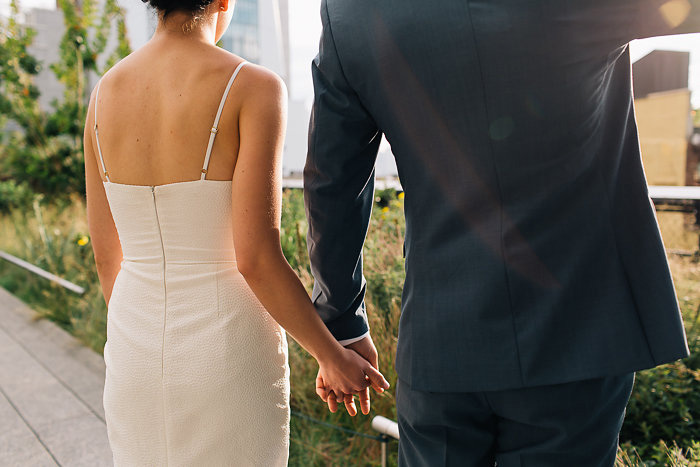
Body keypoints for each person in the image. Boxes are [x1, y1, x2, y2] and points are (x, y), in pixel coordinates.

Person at [305, 0, 699, 465]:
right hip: (576, 335)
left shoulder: (352, 15)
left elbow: (332, 182)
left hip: (440, 344)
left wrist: (342, 322)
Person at [84, 0, 389, 464]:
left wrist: (142, 334)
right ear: (224, 2)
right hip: (227, 351)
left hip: (133, 349)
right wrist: (331, 354)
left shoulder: (103, 94)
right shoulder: (253, 87)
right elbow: (256, 259)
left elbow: (108, 258)